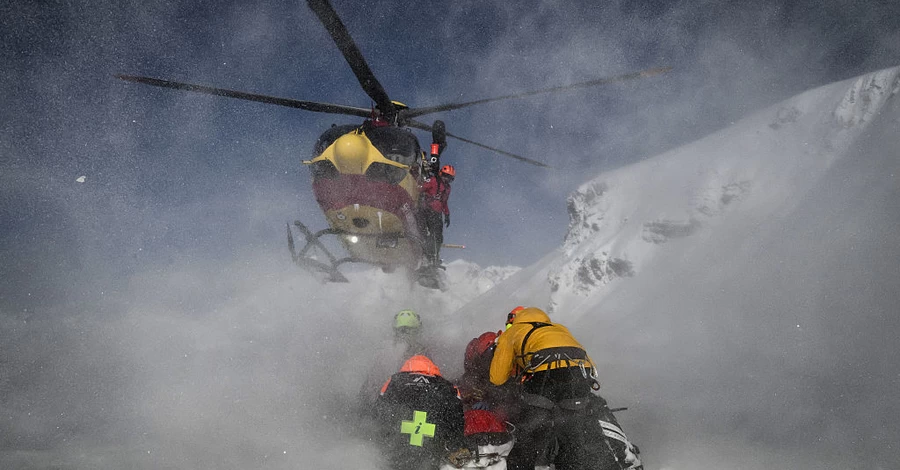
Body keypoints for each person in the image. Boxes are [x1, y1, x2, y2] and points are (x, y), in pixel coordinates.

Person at [489, 307, 642, 470]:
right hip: (579, 376)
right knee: (572, 438)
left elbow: (497, 378)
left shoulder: (513, 332)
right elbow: (589, 362)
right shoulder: (559, 328)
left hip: (545, 377)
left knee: (531, 435)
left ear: (513, 321)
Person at [375, 354, 471, 470]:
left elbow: (379, 412)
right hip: (431, 451)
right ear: (432, 367)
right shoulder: (446, 386)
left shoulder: (393, 381)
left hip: (397, 449)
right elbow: (456, 418)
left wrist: (381, 439)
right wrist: (455, 445)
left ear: (407, 365)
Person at [418, 164, 454, 267]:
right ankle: (425, 255)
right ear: (441, 174)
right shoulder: (433, 181)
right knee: (424, 233)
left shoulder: (447, 188)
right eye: (445, 176)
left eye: (449, 178)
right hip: (426, 210)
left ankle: (432, 256)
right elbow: (420, 189)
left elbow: (444, 203)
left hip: (436, 214)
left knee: (438, 236)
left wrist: (447, 215)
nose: (446, 179)